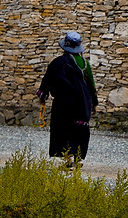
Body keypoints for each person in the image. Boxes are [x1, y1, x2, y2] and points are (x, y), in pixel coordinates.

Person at [37, 31, 98, 163]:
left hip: (63, 104)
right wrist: (94, 103)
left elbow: (46, 81)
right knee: (79, 130)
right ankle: (77, 159)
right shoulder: (84, 64)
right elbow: (91, 85)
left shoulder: (57, 63)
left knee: (63, 129)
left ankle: (67, 159)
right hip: (82, 104)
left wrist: (43, 96)